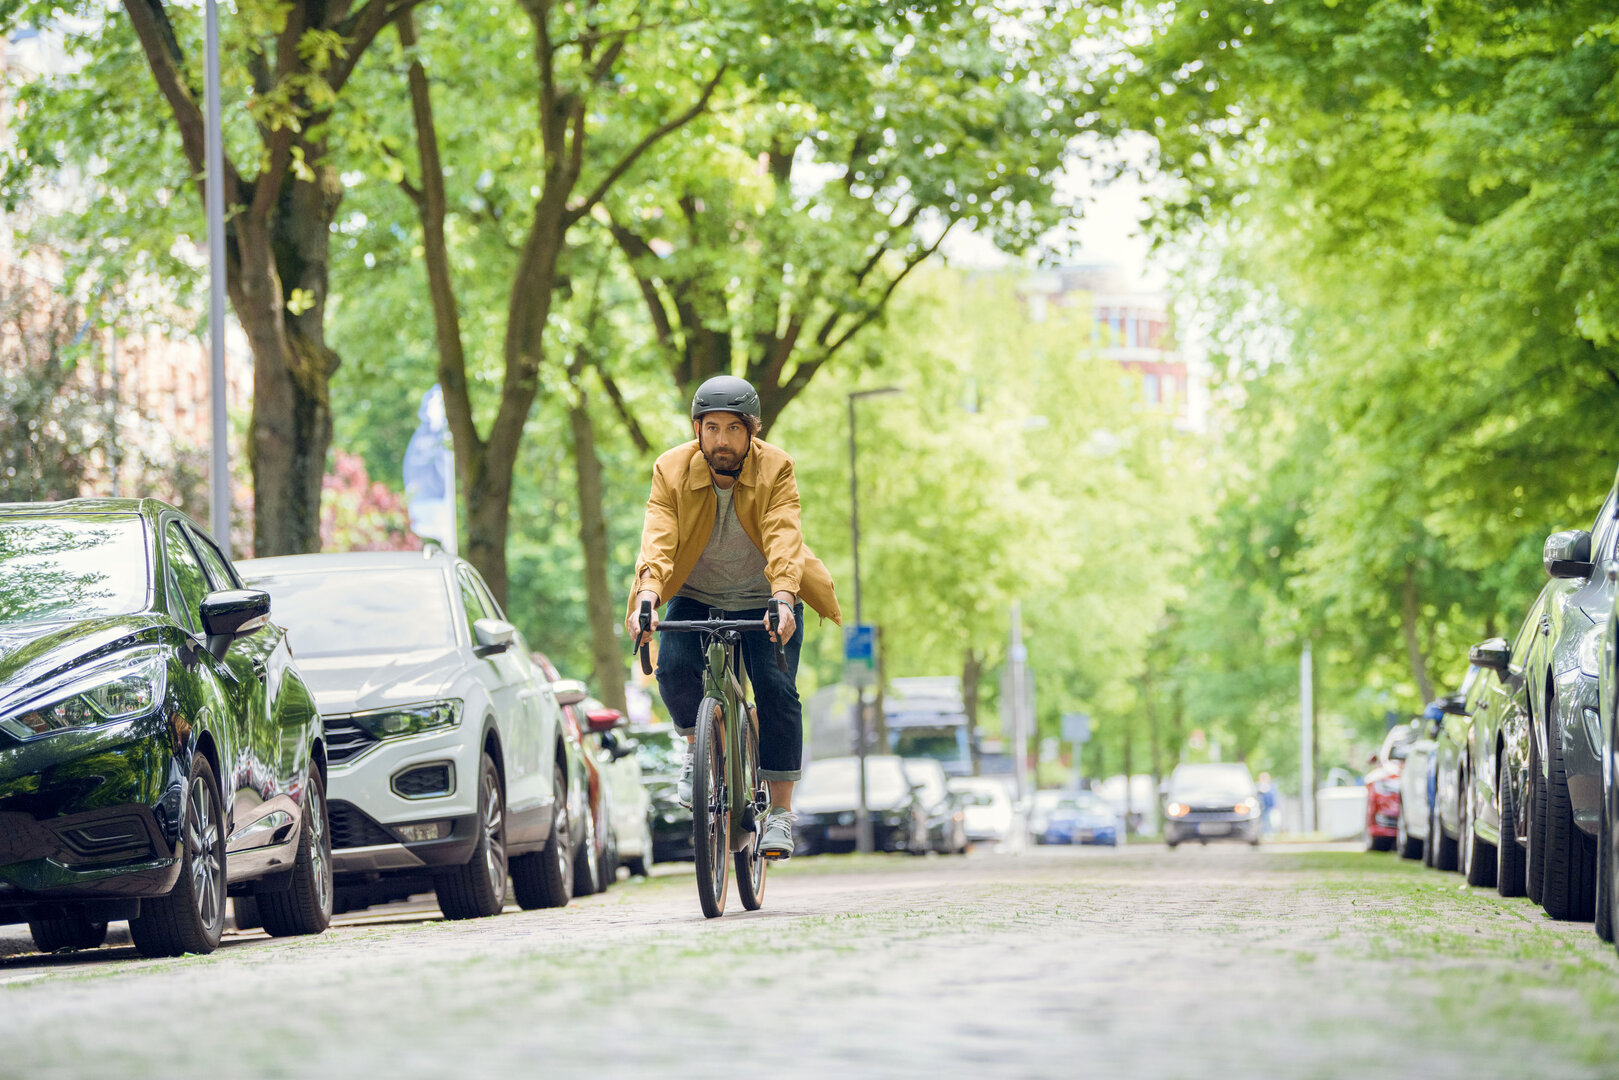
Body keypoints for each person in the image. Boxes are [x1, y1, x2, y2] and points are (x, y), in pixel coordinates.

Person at [626, 376, 841, 859]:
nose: (722, 440)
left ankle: (782, 814)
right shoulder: (670, 469)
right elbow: (658, 539)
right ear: (697, 430)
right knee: (675, 668)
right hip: (695, 594)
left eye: (733, 429)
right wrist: (648, 594)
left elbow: (784, 535)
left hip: (767, 595)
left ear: (752, 432)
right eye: (712, 428)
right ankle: (698, 749)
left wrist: (785, 595)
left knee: (776, 688)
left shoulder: (777, 468)